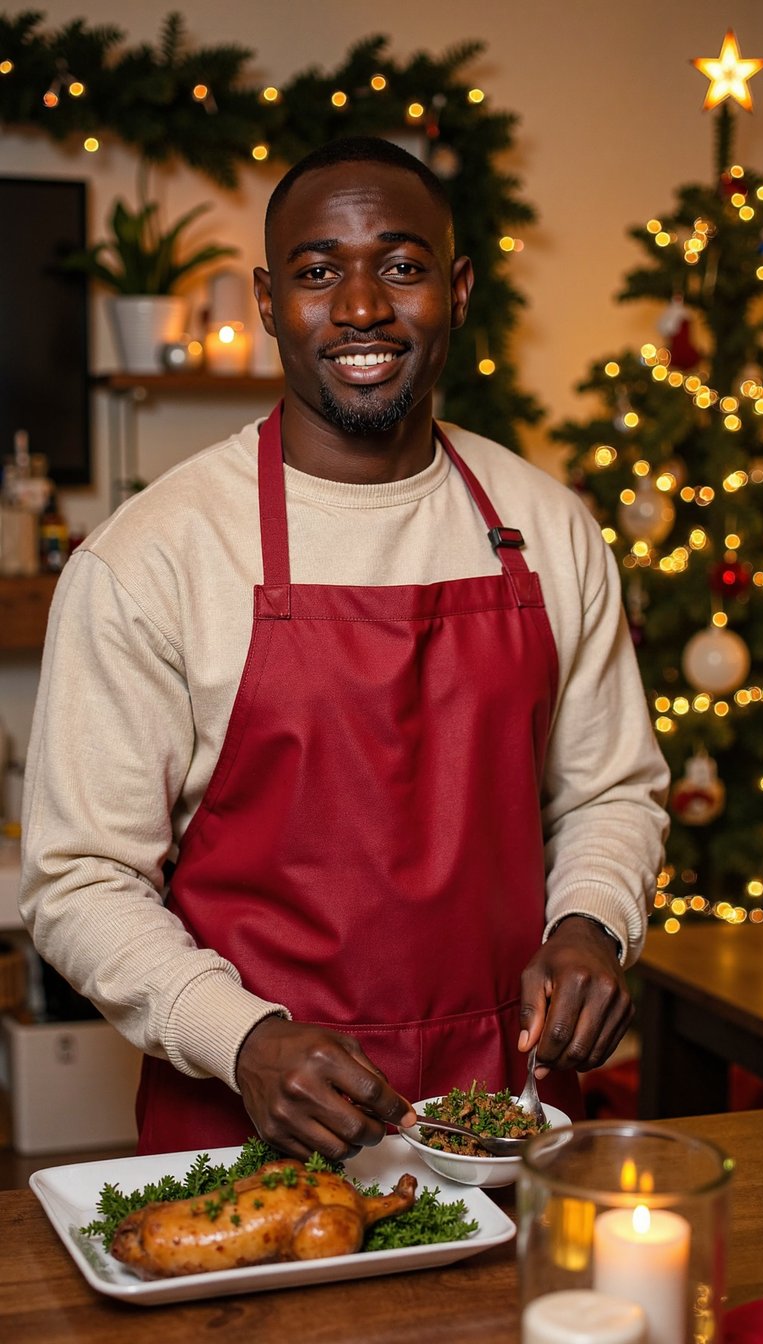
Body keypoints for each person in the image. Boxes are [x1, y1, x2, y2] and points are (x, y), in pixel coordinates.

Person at [20, 136, 669, 1160]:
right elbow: (79, 877)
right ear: (271, 302)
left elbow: (607, 792)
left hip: (500, 1120)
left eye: (402, 267)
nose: (362, 307)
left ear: (457, 292)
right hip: (240, 1135)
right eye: (320, 273)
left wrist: (591, 922)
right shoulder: (155, 555)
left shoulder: (548, 528)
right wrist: (245, 1039)